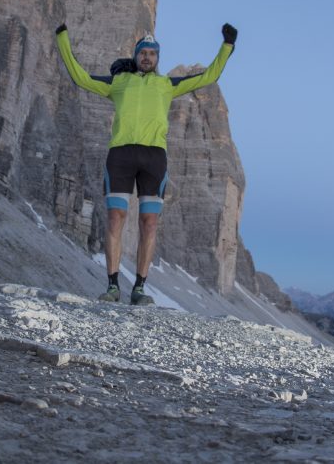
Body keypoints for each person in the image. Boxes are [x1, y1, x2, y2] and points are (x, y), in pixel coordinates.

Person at [55, 22, 238, 305]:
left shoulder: (167, 85)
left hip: (154, 158)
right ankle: (113, 285)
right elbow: (79, 77)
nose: (147, 57)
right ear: (136, 56)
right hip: (121, 156)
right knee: (116, 217)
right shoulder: (118, 83)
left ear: (157, 58)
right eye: (143, 53)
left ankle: (139, 288)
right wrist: (62, 38)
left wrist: (227, 46)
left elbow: (208, 76)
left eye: (152, 53)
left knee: (149, 223)